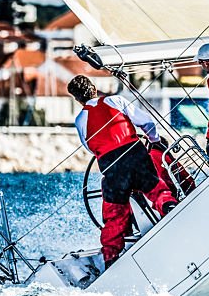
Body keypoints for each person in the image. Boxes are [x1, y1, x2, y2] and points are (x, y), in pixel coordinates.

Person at [68, 75, 177, 267]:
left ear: (77, 99)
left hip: (111, 168)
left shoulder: (80, 120)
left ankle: (110, 258)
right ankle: (169, 207)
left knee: (115, 214)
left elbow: (90, 147)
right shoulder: (114, 100)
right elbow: (147, 122)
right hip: (135, 154)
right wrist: (154, 140)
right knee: (155, 188)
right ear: (94, 88)